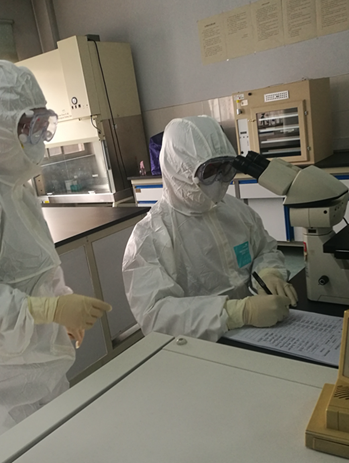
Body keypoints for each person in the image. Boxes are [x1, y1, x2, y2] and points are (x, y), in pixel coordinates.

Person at [0, 60, 112, 455]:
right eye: (25, 125)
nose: (37, 137)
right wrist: (49, 310)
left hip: (38, 362)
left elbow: (33, 269)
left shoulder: (11, 182)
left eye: (41, 123)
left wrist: (59, 307)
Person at [122, 115, 297, 342]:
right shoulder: (149, 237)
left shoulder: (236, 211)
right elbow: (155, 315)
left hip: (260, 331)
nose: (220, 179)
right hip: (197, 345)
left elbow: (265, 249)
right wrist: (237, 313)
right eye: (210, 170)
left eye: (226, 168)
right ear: (180, 170)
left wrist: (269, 272)